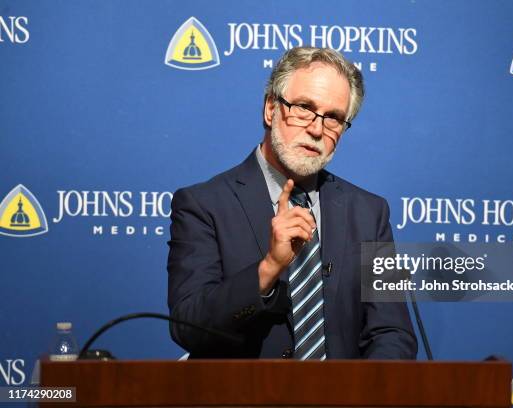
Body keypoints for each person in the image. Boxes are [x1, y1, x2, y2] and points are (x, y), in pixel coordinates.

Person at [167, 47, 417, 359]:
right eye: (303, 107)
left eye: (334, 118)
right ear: (271, 109)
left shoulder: (369, 213)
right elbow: (188, 326)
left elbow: (392, 333)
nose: (316, 129)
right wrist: (268, 268)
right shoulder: (204, 205)